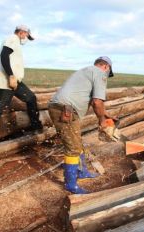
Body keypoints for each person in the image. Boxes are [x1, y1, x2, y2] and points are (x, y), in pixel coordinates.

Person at [48, 56, 114, 194]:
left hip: (63, 108)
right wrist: (102, 121)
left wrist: (104, 114)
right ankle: (71, 185)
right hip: (65, 111)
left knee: (77, 142)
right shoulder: (100, 73)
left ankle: (82, 171)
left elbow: (90, 99)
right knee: (72, 148)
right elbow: (97, 102)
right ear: (106, 67)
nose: (107, 75)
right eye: (108, 72)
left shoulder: (85, 71)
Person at [0, 25, 43, 149]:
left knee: (31, 98)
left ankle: (36, 127)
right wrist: (11, 75)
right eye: (26, 35)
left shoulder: (15, 41)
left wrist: (13, 77)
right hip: (8, 82)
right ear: (22, 32)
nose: (26, 38)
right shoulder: (12, 39)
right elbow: (4, 56)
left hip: (14, 81)